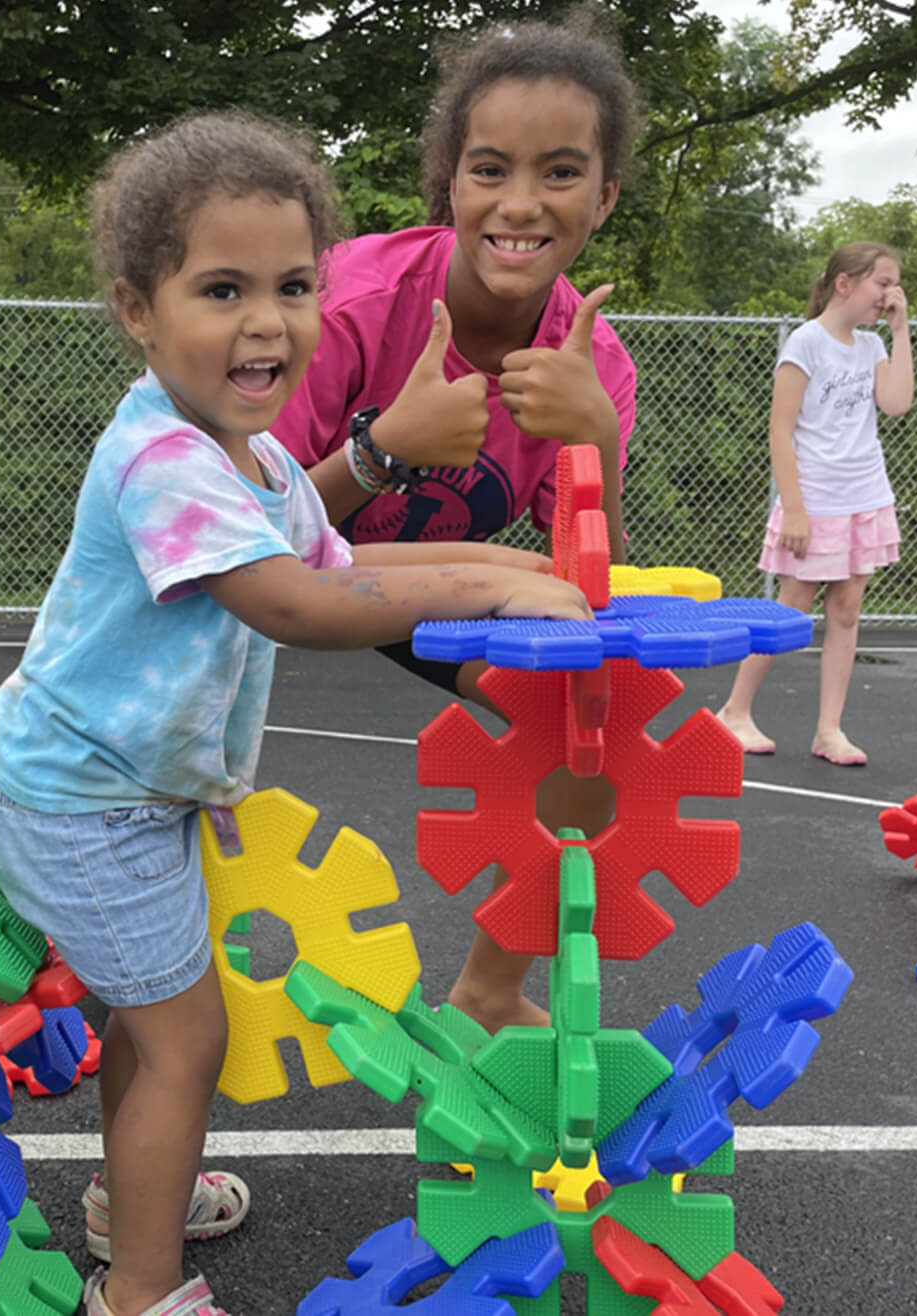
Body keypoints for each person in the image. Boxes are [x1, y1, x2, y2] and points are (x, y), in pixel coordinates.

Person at [0, 111, 594, 1316]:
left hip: (127, 793)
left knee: (150, 1024)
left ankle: (126, 1195)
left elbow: (354, 552)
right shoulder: (162, 461)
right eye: (220, 288)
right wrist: (497, 583)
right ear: (137, 312)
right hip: (79, 796)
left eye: (294, 285)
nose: (266, 319)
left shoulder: (247, 460)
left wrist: (507, 571)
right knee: (184, 1036)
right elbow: (300, 604)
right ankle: (139, 1287)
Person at [271, 13, 640, 1033]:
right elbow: (248, 525)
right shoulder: (344, 301)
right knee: (147, 754)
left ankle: (485, 988)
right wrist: (382, 448)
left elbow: (582, 567)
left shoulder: (593, 364)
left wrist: (594, 445)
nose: (518, 204)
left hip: (410, 575)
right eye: (488, 169)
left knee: (585, 719)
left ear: (602, 196)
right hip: (272, 559)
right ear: (449, 182)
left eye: (559, 173)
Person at [718, 241, 914, 766]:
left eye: (894, 285)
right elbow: (780, 432)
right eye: (882, 283)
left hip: (864, 495)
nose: (890, 294)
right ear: (845, 284)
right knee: (791, 610)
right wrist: (796, 509)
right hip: (816, 498)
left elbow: (896, 405)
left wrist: (899, 331)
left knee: (846, 611)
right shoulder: (806, 342)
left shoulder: (873, 347)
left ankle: (829, 730)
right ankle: (734, 710)